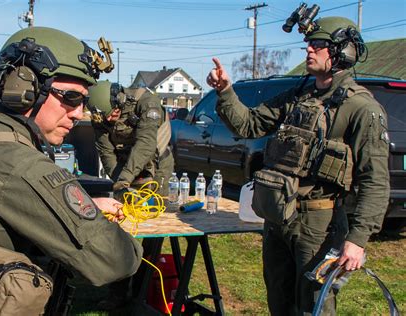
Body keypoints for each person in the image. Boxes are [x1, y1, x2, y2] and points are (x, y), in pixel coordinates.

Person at [0, 27, 142, 314]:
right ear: (25, 88)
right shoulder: (20, 163)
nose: (79, 112)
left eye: (83, 101)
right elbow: (114, 260)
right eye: (70, 98)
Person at [207, 16, 389, 315]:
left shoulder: (361, 108)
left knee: (313, 305)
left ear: (343, 52)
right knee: (279, 300)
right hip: (279, 217)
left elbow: (375, 180)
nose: (308, 50)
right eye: (308, 43)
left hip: (320, 225)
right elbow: (250, 124)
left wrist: (357, 240)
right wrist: (225, 91)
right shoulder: (298, 97)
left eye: (318, 45)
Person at [87, 80, 174, 197]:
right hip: (125, 165)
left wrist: (126, 177)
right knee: (129, 205)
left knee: (157, 206)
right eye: (106, 117)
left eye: (112, 113)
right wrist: (121, 181)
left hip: (157, 164)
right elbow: (106, 152)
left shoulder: (147, 102)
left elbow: (146, 143)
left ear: (119, 100)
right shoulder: (100, 117)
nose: (109, 119)